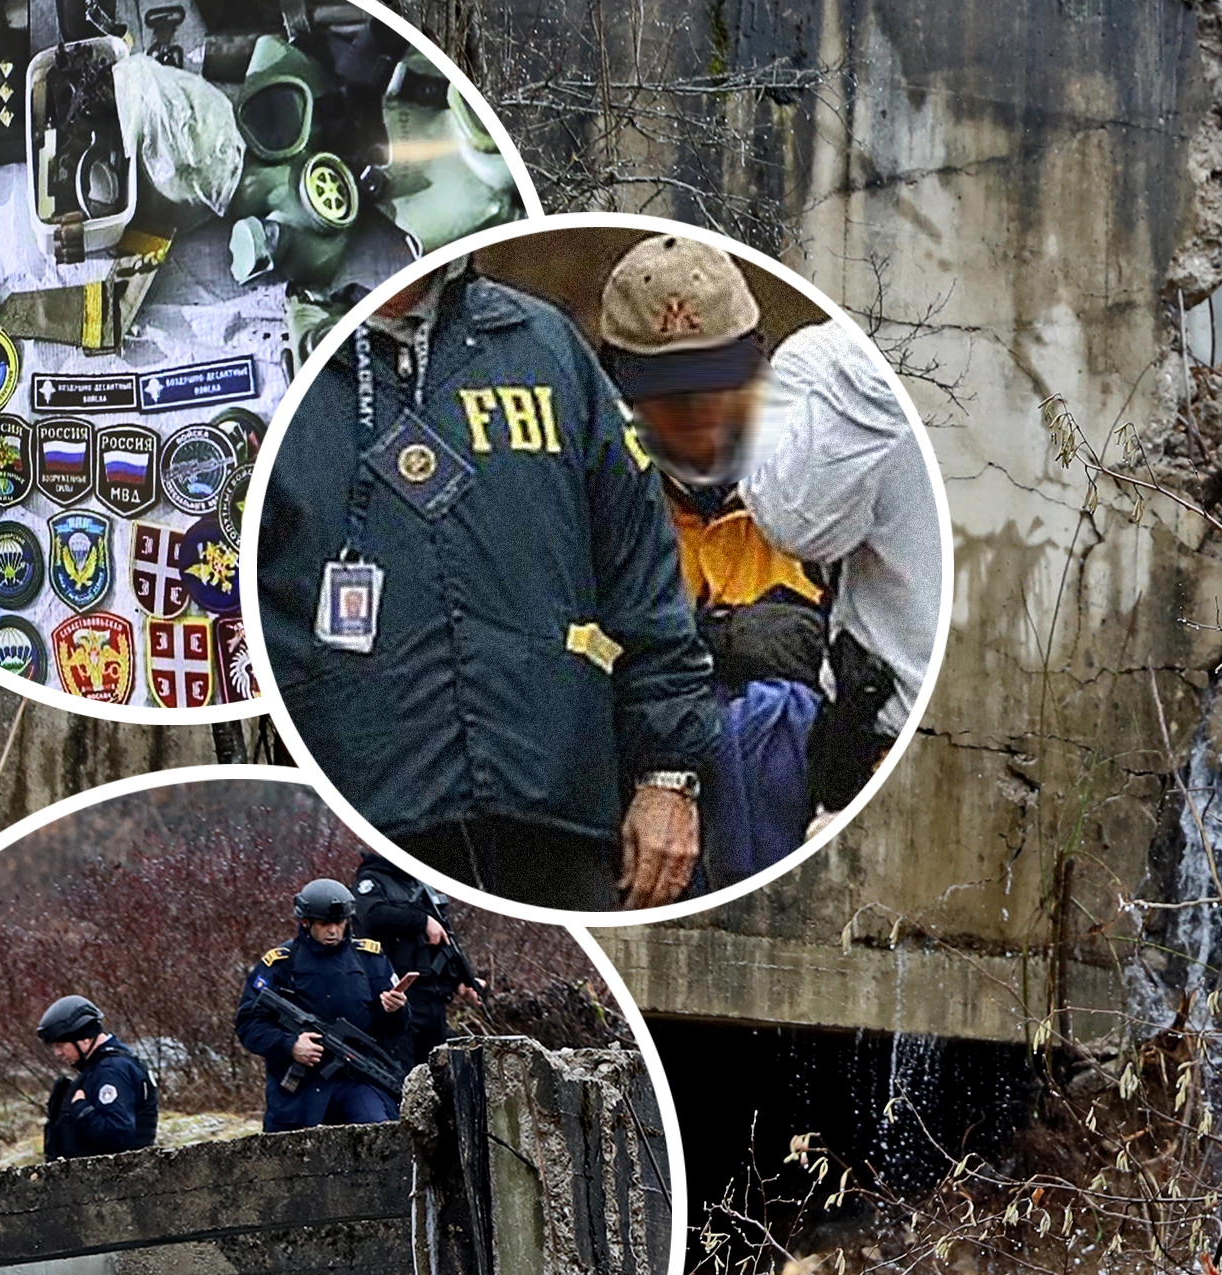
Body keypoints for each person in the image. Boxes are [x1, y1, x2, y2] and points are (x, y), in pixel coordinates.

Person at [255, 257, 721, 911]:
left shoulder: (545, 347)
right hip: (357, 824)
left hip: (553, 820)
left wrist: (667, 775)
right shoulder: (263, 361)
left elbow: (641, 580)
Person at [595, 234, 943, 818]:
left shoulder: (825, 475)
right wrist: (719, 641)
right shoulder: (601, 502)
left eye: (714, 379)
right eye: (662, 387)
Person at [234, 878, 413, 1131]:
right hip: (301, 1092)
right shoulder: (281, 964)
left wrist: (395, 1010)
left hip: (359, 1079)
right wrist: (290, 1045)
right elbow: (249, 1024)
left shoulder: (370, 959)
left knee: (379, 1134)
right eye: (324, 924)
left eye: (339, 923)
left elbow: (396, 1031)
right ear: (306, 923)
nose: (333, 931)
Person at [353, 850, 484, 1066]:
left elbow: (442, 942)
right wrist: (422, 921)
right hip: (398, 996)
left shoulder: (420, 884)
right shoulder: (372, 879)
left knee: (442, 1073)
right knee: (402, 1072)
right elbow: (371, 915)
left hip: (433, 999)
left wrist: (460, 981)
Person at [36, 994, 156, 1161]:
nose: (58, 1053)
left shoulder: (111, 1070)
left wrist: (81, 1108)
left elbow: (118, 1134)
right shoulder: (106, 1065)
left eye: (61, 1045)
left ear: (85, 1039)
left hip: (118, 1174)